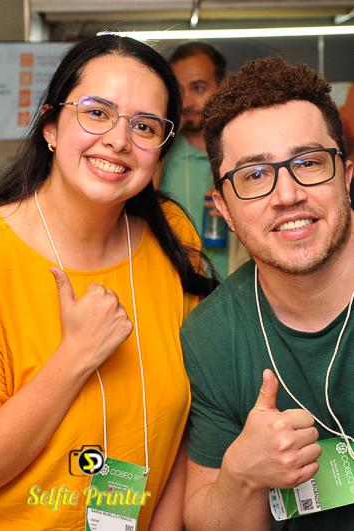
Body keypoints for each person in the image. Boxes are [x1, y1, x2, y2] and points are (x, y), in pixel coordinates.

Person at [0, 34, 216, 530]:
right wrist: (74, 357)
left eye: (144, 126)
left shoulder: (171, 236)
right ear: (50, 125)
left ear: (161, 150)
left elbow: (186, 427)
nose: (118, 140)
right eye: (96, 112)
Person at [181, 57, 353, 530]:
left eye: (308, 163)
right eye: (255, 175)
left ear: (346, 176)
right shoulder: (212, 336)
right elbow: (206, 517)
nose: (287, 194)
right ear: (224, 210)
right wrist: (241, 476)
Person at [158, 42, 242, 278]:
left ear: (222, 86)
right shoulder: (160, 156)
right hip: (178, 286)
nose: (186, 102)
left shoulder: (243, 149)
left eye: (198, 88)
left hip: (237, 285)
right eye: (179, 91)